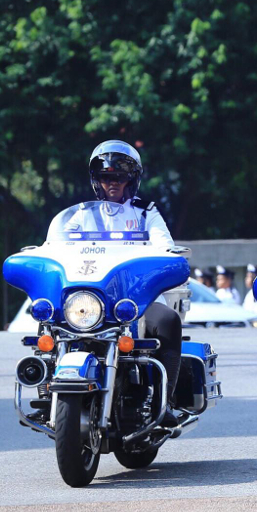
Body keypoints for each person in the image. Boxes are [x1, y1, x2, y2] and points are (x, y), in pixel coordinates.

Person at [46, 140, 180, 426]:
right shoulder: (79, 215)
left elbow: (165, 248)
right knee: (47, 319)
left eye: (120, 177)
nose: (113, 184)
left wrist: (166, 260)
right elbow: (54, 247)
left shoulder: (147, 213)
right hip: (88, 299)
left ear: (132, 179)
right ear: (97, 181)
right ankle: (46, 385)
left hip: (135, 300)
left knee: (168, 320)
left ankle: (163, 400)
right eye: (107, 177)